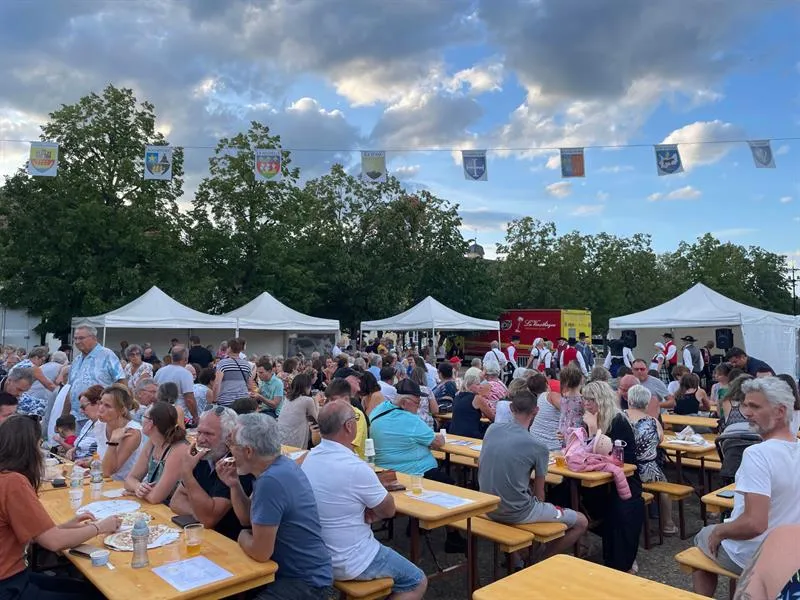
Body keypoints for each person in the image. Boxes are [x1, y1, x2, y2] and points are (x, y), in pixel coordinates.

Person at [302, 402, 427, 599]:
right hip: (351, 560)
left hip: (317, 554)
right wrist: (372, 510)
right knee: (417, 580)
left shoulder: (309, 458)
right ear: (349, 426)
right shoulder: (355, 467)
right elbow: (388, 510)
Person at [692, 377, 800, 597]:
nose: (747, 413)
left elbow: (755, 524)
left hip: (754, 554)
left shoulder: (757, 454)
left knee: (704, 536)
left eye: (755, 407)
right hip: (790, 552)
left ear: (780, 412)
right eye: (745, 405)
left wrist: (720, 531)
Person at [0, 415, 122, 599]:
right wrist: (99, 527)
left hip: (13, 578)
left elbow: (34, 535)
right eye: (39, 445)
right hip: (9, 585)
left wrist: (64, 527)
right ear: (29, 448)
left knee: (89, 589)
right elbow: (53, 542)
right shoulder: (13, 482)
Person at [217, 413, 334, 599]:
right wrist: (234, 484)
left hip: (305, 582)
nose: (230, 450)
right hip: (301, 573)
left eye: (232, 444)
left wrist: (241, 536)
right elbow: (247, 518)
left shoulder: (270, 481)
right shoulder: (280, 465)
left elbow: (260, 552)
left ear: (248, 451)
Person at [479, 390, 588, 561]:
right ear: (536, 411)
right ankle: (539, 561)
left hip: (488, 506)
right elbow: (540, 494)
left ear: (511, 408)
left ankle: (522, 557)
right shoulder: (538, 447)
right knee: (581, 521)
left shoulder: (492, 430)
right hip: (517, 511)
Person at [581, 380, 643, 573]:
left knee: (620, 509)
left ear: (602, 400)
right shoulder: (589, 419)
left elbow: (619, 459)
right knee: (563, 493)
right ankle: (578, 542)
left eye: (591, 399)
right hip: (599, 479)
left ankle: (622, 559)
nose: (586, 403)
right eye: (584, 399)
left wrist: (593, 432)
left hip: (624, 479)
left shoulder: (618, 421)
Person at [170, 406, 253, 540]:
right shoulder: (203, 456)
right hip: (203, 536)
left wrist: (187, 473)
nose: (201, 439)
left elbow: (208, 519)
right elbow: (176, 501)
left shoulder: (235, 464)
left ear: (229, 438)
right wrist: (200, 513)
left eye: (208, 434)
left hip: (228, 543)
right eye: (199, 432)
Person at [623, 384, 679, 535]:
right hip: (648, 470)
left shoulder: (620, 417)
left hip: (625, 469)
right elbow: (660, 440)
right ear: (647, 403)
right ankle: (668, 524)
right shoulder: (653, 422)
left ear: (629, 400)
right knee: (664, 488)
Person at [124, 402, 189, 504]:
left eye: (143, 416)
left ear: (150, 424)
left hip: (174, 509)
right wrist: (138, 487)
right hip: (158, 506)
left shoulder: (178, 449)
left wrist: (136, 492)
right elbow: (129, 480)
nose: (141, 420)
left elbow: (156, 497)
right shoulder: (152, 443)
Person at [67, 325, 125, 422]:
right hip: (76, 417)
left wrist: (120, 409)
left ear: (94, 338)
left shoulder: (107, 355)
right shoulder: (76, 360)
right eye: (75, 338)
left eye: (81, 338)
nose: (77, 342)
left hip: (99, 417)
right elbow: (70, 389)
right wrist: (65, 415)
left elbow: (121, 382)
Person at [95, 383, 145, 480]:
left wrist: (113, 442)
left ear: (122, 410)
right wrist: (89, 462)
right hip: (104, 482)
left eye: (107, 406)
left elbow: (107, 471)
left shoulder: (132, 432)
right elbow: (103, 456)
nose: (100, 408)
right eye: (100, 403)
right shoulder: (100, 425)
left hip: (125, 485)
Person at [325, 379, 368, 459]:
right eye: (328, 400)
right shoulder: (332, 414)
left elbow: (351, 445)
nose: (330, 403)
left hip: (354, 460)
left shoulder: (356, 415)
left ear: (345, 399)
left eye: (333, 399)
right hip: (335, 458)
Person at [154, 346, 198, 425]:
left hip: (160, 413)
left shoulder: (160, 371)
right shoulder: (186, 374)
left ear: (171, 358)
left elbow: (154, 392)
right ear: (186, 359)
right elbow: (189, 399)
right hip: (178, 416)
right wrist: (195, 416)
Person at [277, 373, 318, 449]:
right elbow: (315, 420)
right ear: (306, 387)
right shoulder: (308, 400)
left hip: (281, 439)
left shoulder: (287, 398)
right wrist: (316, 402)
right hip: (296, 444)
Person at [450, 368, 493, 438]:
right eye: (477, 384)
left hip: (454, 432)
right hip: (470, 434)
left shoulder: (457, 397)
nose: (480, 386)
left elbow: (466, 413)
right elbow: (492, 417)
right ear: (469, 386)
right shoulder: (477, 398)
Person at [66, 384, 102, 465]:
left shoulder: (107, 426)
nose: (81, 411)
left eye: (83, 407)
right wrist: (73, 450)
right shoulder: (89, 423)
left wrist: (89, 461)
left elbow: (105, 454)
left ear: (98, 404)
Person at [213, 338, 253, 408]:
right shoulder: (247, 365)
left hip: (226, 401)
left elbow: (217, 384)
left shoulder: (222, 364)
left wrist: (214, 400)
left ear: (230, 348)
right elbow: (250, 386)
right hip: (243, 402)